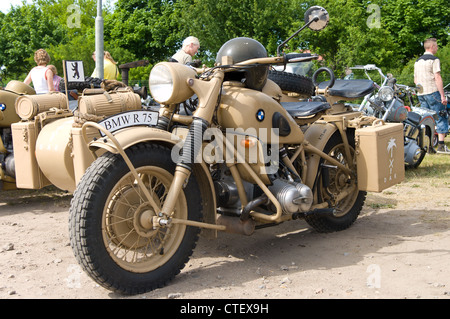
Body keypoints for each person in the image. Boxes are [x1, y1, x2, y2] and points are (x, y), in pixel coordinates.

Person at [414, 38, 449, 154]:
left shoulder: (417, 61)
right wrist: (443, 96)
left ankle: (428, 146)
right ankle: (441, 145)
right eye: (437, 46)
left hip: (421, 93)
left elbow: (415, 80)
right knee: (440, 116)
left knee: (427, 120)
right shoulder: (434, 60)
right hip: (433, 92)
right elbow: (437, 77)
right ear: (432, 47)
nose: (437, 48)